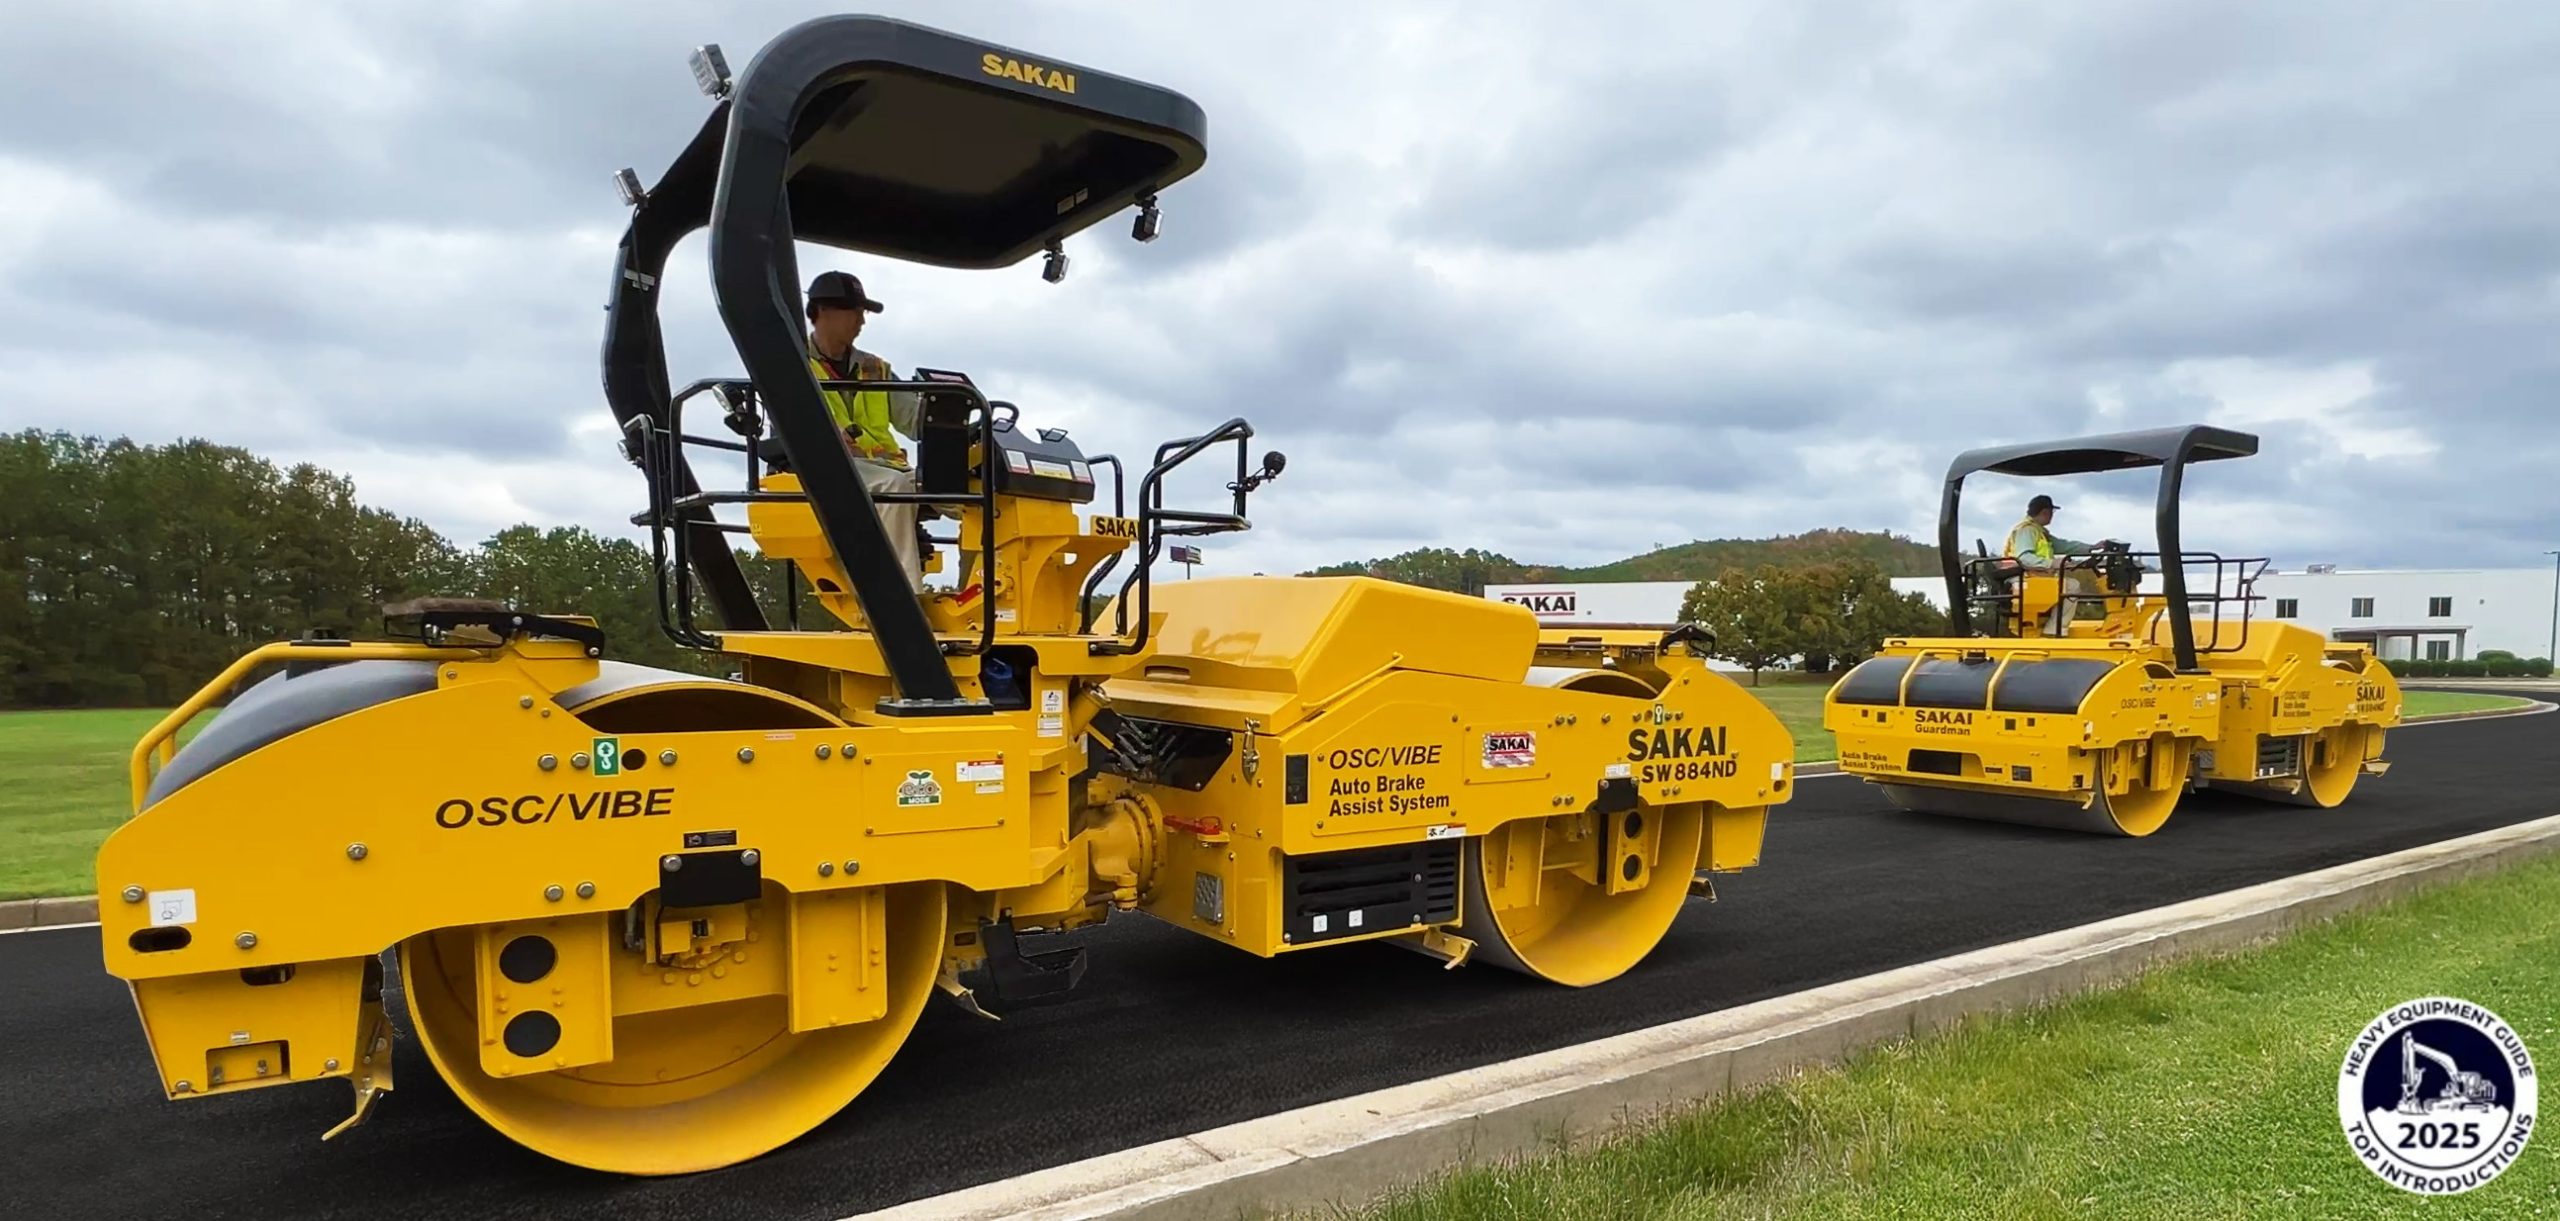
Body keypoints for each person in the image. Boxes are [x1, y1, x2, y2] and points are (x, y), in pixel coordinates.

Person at [804, 270, 927, 591]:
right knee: (895, 486)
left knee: (970, 489)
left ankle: (986, 598)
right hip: (830, 467)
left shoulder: (875, 368)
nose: (862, 321)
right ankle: (901, 598)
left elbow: (915, 421)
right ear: (823, 311)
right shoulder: (793, 363)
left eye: (863, 313)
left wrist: (949, 418)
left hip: (887, 467)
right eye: (855, 312)